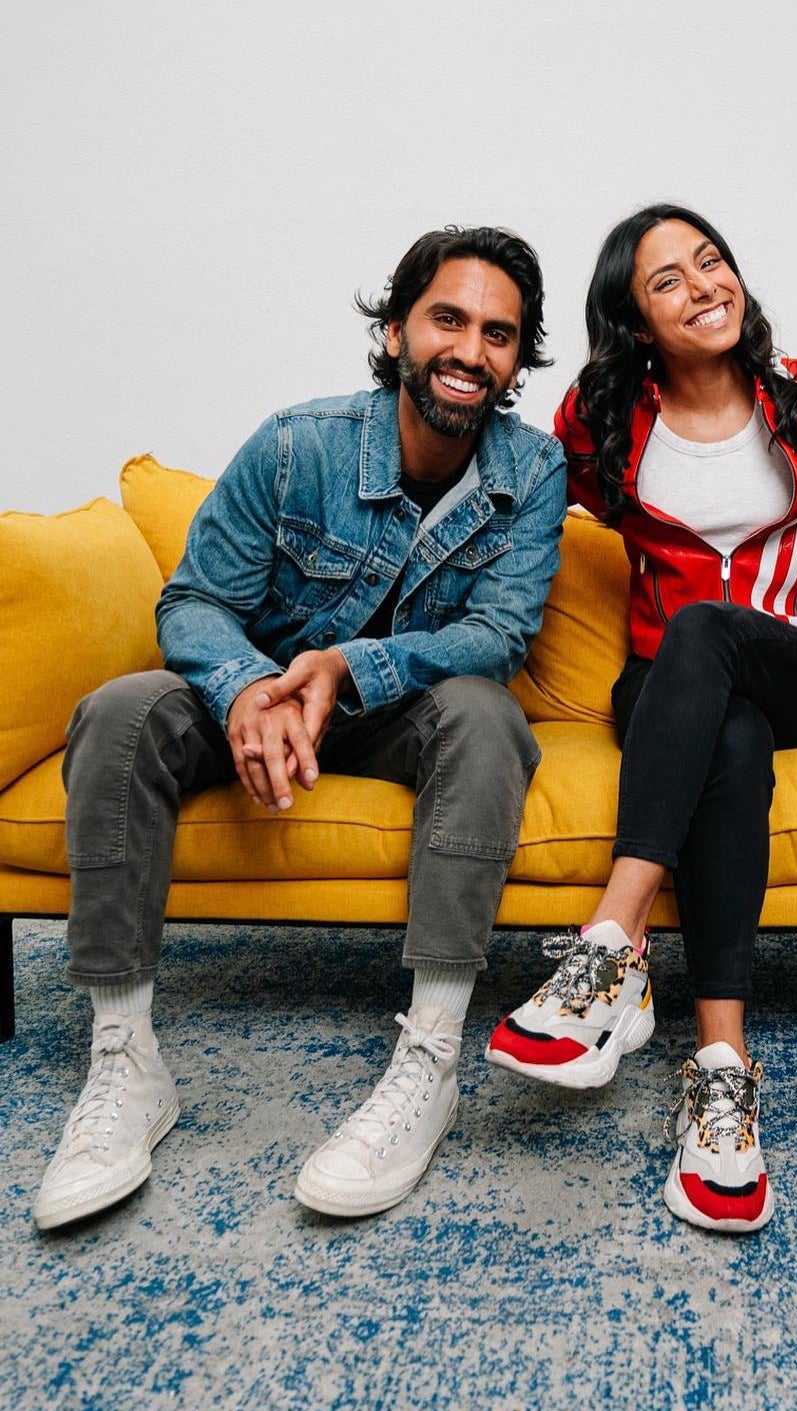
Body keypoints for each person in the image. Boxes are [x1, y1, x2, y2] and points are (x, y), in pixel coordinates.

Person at [32, 226, 566, 1229]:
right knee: (116, 708)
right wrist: (246, 690)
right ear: (399, 327)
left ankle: (431, 1056)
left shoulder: (530, 471)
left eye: (500, 334)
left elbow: (495, 636)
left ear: (516, 359)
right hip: (258, 690)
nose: (471, 350)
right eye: (449, 318)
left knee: (487, 715)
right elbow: (192, 602)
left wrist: (346, 668)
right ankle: (124, 1061)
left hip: (394, 710)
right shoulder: (296, 445)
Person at [483, 204, 797, 1233]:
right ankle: (722, 1070)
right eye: (668, 280)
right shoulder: (602, 417)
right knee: (727, 736)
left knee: (709, 631)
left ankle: (611, 944)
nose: (704, 285)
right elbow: (524, 490)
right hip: (674, 695)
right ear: (635, 321)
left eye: (712, 262)